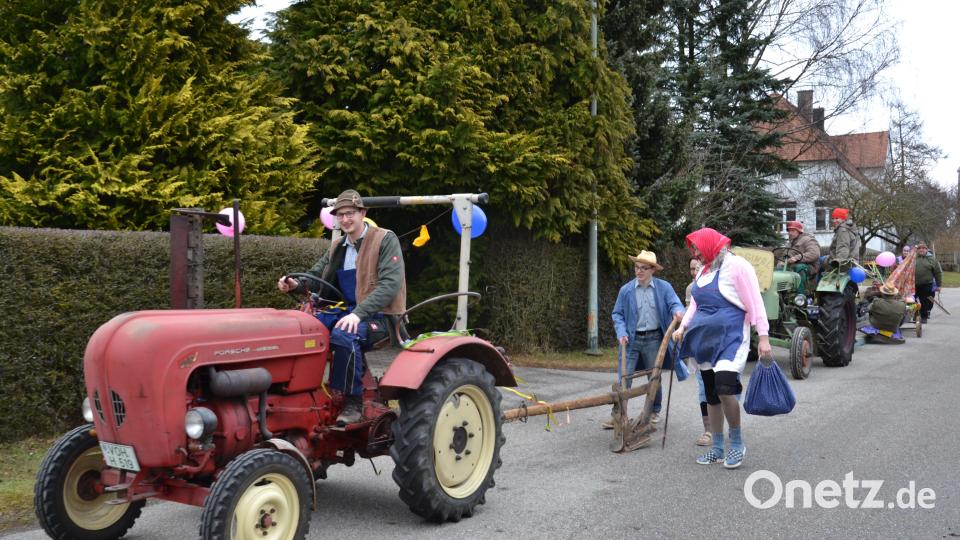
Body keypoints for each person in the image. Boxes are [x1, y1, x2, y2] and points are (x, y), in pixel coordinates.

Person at [278, 189, 406, 425]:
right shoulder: (338, 246)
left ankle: (352, 401)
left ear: (362, 213)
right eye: (341, 215)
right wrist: (295, 284)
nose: (345, 219)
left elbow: (390, 285)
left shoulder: (385, 240)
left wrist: (358, 314)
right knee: (300, 328)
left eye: (350, 214)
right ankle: (298, 392)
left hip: (379, 316)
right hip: (345, 311)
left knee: (344, 333)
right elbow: (316, 276)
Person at [673, 228, 771, 469]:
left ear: (710, 245)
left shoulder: (738, 266)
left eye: (697, 249)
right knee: (711, 395)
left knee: (725, 388)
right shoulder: (704, 271)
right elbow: (695, 304)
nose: (695, 255)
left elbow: (755, 302)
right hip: (704, 341)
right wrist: (682, 327)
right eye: (694, 250)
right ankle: (717, 449)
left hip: (731, 338)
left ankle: (736, 444)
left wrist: (764, 337)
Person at [608, 250, 685, 428]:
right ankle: (619, 414)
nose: (639, 271)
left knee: (654, 377)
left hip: (654, 338)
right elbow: (617, 314)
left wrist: (677, 311)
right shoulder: (626, 290)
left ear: (653, 270)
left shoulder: (664, 287)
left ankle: (654, 410)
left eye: (644, 268)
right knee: (624, 377)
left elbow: (675, 303)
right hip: (631, 339)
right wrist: (621, 332)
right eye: (636, 267)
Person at [685, 258, 713, 447]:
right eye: (692, 269)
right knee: (704, 386)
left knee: (727, 386)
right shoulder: (691, 289)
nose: (695, 272)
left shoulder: (721, 284)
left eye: (698, 268)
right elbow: (690, 314)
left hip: (721, 342)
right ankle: (708, 430)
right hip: (700, 342)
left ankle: (730, 422)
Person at [784, 220, 820, 292]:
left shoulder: (808, 240)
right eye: (789, 231)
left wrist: (797, 258)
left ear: (799, 231)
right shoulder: (790, 243)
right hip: (791, 266)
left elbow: (814, 253)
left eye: (793, 230)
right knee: (777, 270)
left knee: (799, 267)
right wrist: (782, 262)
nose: (790, 233)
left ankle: (801, 294)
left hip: (809, 267)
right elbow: (785, 256)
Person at [914, 242, 942, 324]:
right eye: (919, 248)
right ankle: (915, 314)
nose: (921, 250)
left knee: (924, 301)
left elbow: (938, 273)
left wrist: (939, 285)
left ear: (926, 250)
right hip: (913, 284)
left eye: (923, 248)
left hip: (926, 284)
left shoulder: (932, 259)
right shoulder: (913, 258)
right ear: (917, 250)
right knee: (912, 300)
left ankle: (924, 317)